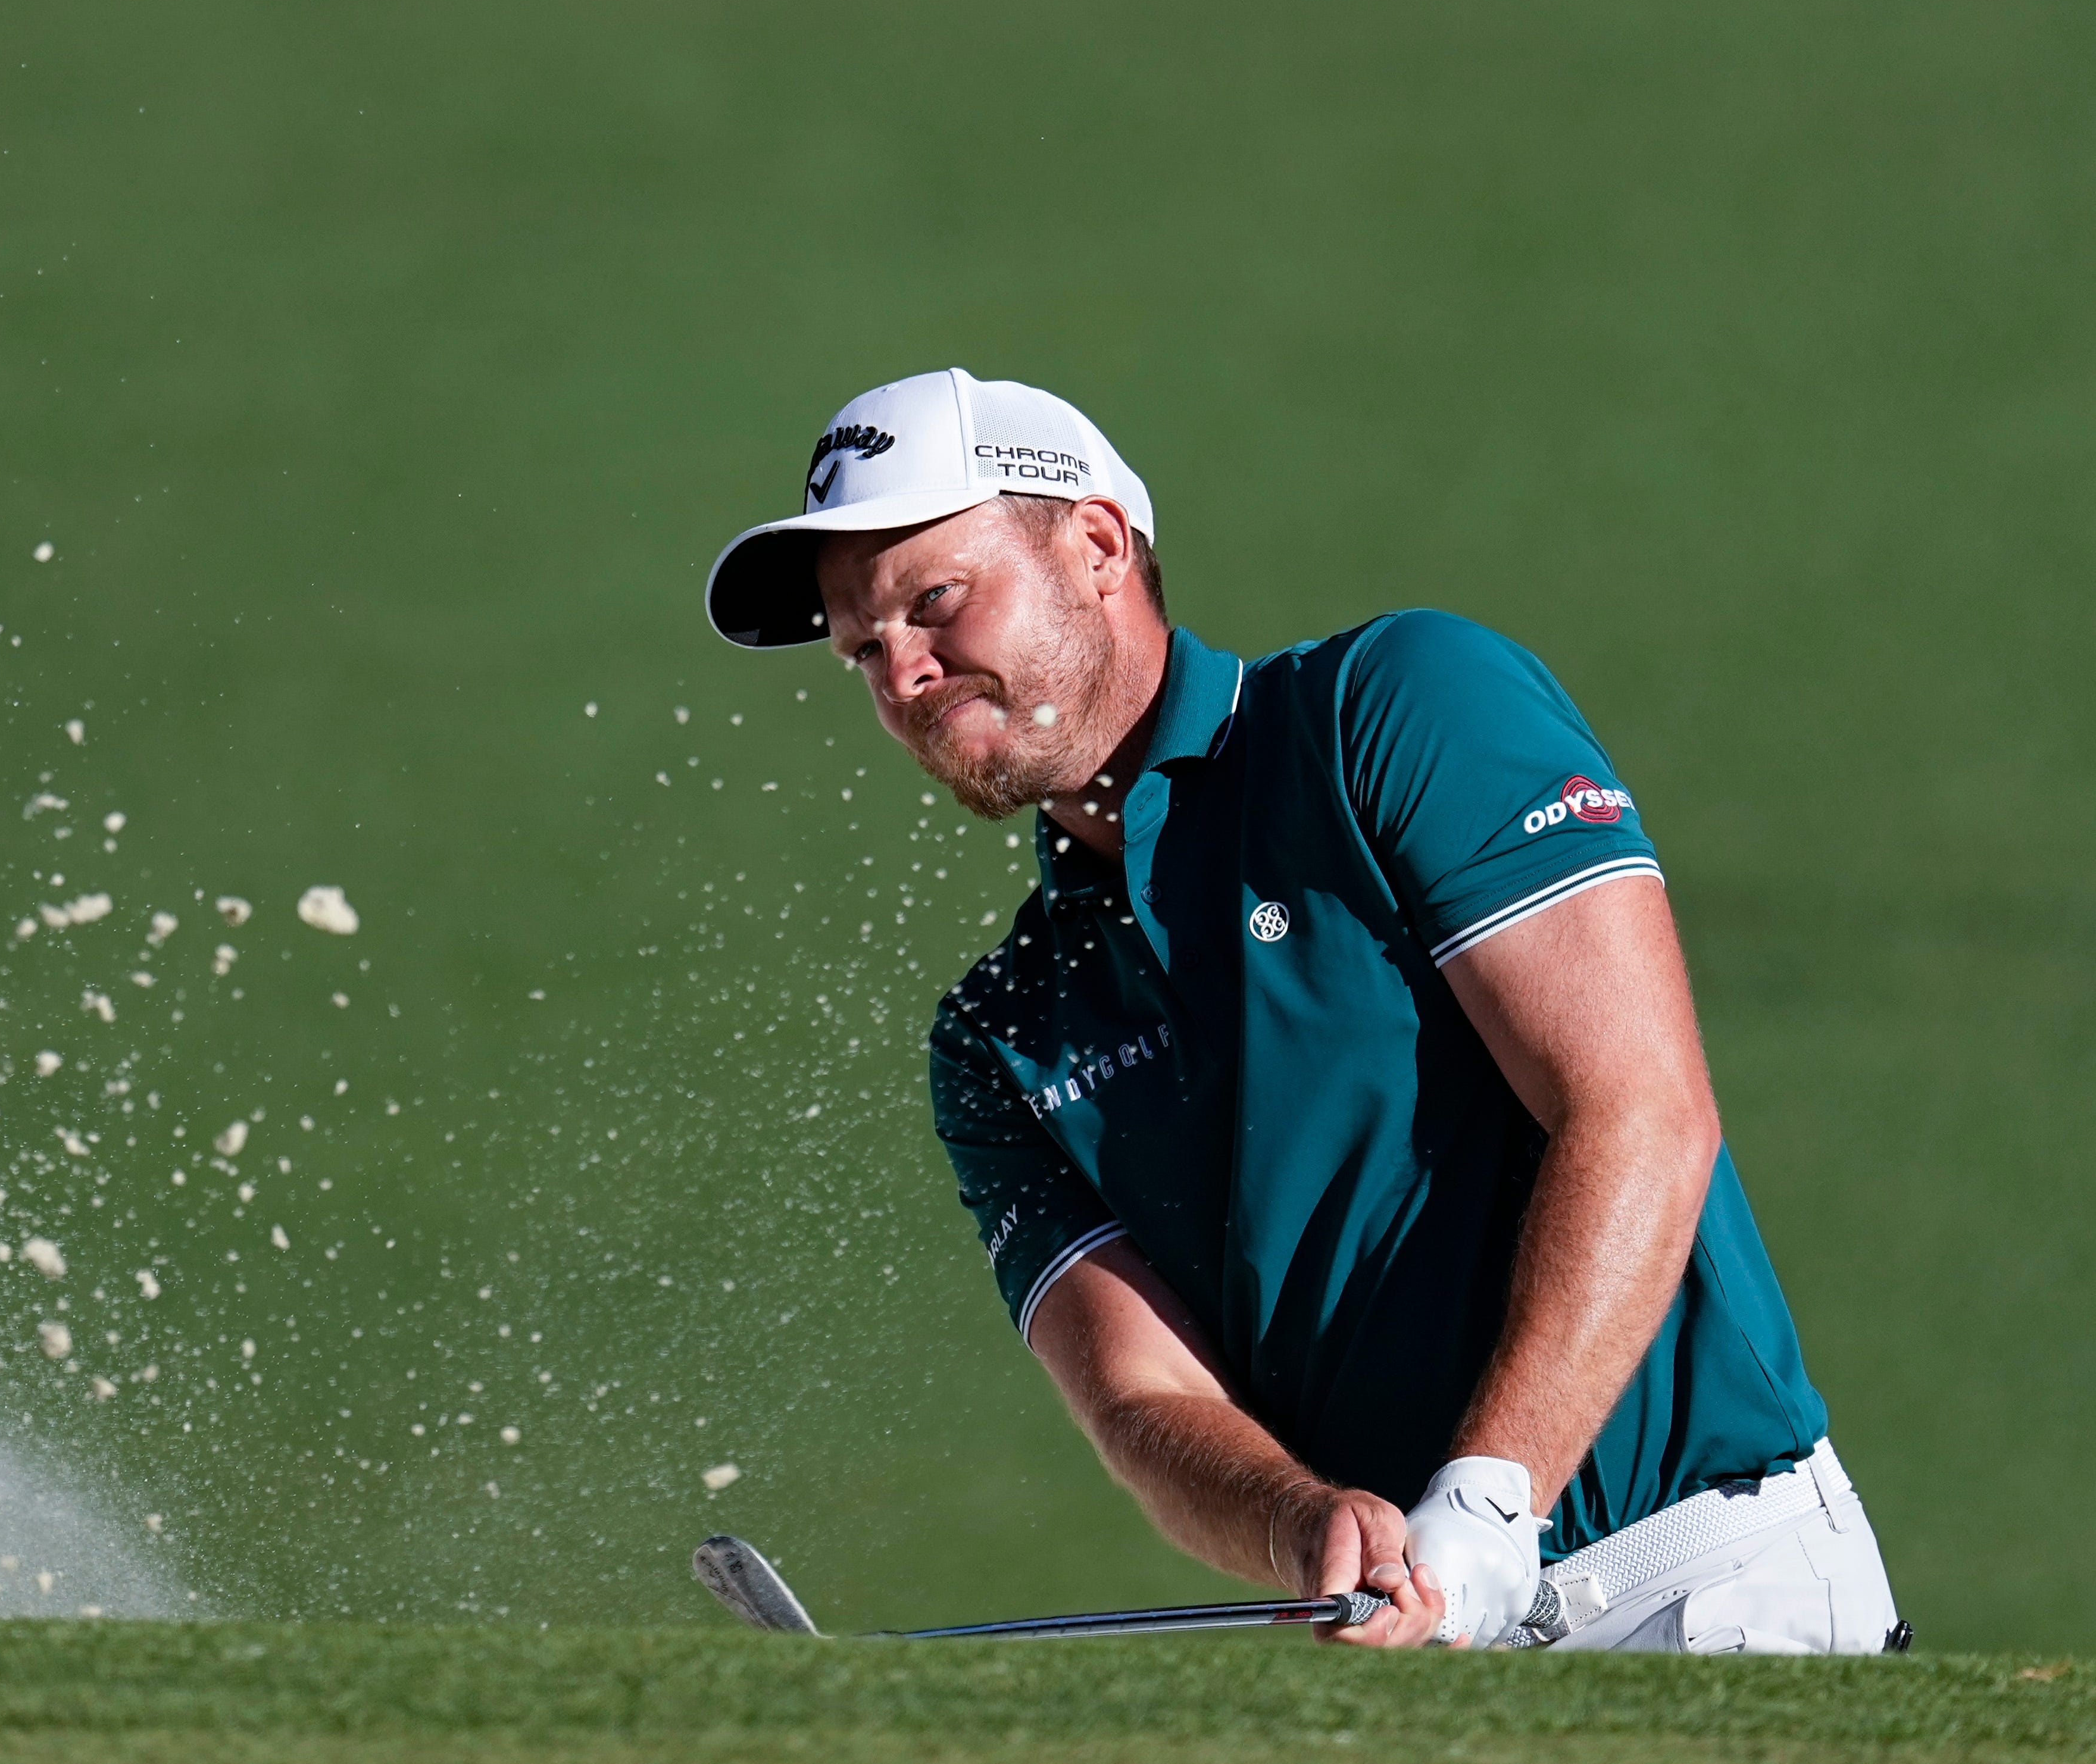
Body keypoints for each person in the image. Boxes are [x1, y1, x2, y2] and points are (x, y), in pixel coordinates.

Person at [704, 370, 1903, 1653]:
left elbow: (1640, 1113)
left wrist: (1492, 1496)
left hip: (1712, 1582)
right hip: (1425, 1636)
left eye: (933, 601)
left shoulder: (1390, 708)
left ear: (1096, 544)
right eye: (863, 650)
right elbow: (1137, 1393)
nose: (904, 673)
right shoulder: (1003, 1033)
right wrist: (1300, 1519)